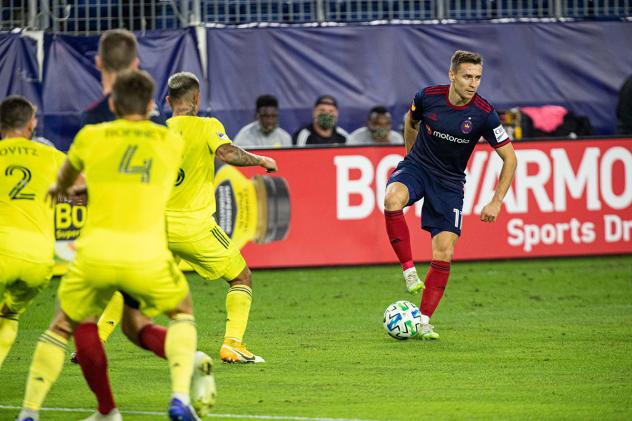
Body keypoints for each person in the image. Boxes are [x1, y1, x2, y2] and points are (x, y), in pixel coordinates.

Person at [17, 71, 202, 421]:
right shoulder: (169, 142)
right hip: (146, 251)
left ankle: (32, 412)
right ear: (150, 106)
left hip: (96, 252)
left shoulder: (91, 136)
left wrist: (69, 193)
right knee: (180, 313)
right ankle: (179, 396)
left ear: (113, 104)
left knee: (65, 325)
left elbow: (67, 183)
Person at [102, 72, 277, 365]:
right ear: (197, 98)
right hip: (195, 226)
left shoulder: (156, 132)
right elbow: (227, 152)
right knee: (241, 277)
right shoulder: (208, 126)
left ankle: (93, 341)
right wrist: (261, 160)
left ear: (168, 101)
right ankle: (233, 344)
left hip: (156, 226)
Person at [383, 50, 517, 339]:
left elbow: (510, 158)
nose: (473, 83)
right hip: (418, 167)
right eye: (467, 76)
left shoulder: (484, 114)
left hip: (449, 183)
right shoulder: (427, 97)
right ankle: (409, 272)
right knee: (392, 198)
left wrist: (496, 200)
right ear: (452, 75)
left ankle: (424, 321)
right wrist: (409, 157)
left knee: (444, 251)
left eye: (478, 77)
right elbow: (411, 122)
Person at [0, 96, 66, 369]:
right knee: (9, 313)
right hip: (38, 262)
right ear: (30, 126)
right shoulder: (51, 156)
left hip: (3, 252)